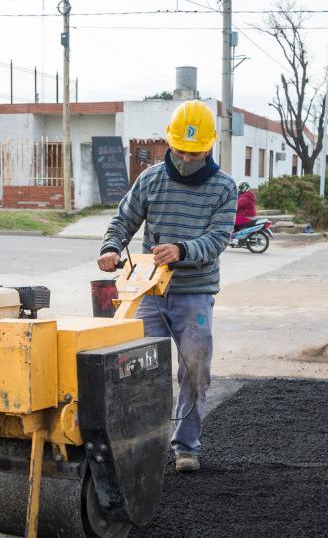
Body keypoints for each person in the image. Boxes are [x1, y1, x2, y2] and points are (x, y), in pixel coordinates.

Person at [96, 101, 236, 473]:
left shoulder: (224, 187)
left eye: (195, 152)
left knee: (194, 369)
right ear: (169, 142)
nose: (187, 158)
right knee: (135, 368)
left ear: (208, 147)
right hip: (149, 292)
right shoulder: (151, 179)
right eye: (180, 150)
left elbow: (219, 238)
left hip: (195, 293)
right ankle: (140, 446)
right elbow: (124, 219)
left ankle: (186, 446)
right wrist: (111, 246)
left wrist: (182, 251)